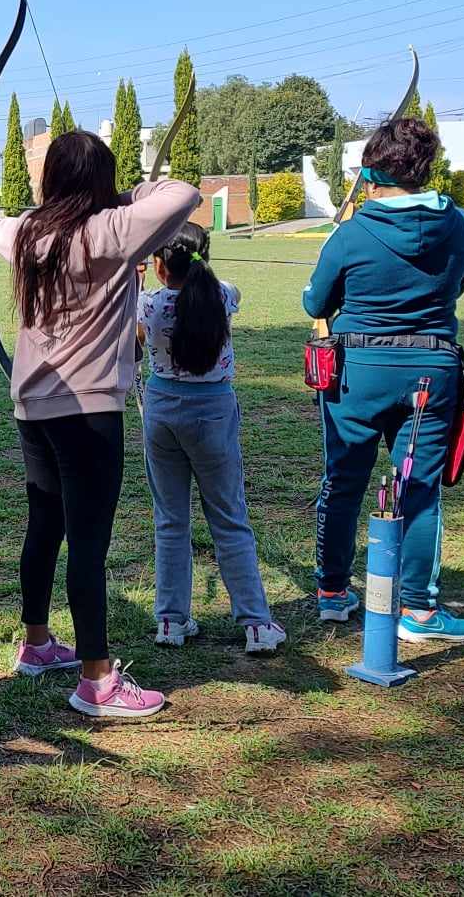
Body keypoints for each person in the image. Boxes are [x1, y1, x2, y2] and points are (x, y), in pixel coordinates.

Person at [0, 129, 200, 719]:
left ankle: (37, 643)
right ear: (100, 182)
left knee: (45, 525)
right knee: (88, 542)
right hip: (88, 408)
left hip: (33, 405)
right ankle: (97, 681)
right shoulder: (109, 230)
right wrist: (126, 194)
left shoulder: (29, 232)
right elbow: (185, 193)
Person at [303, 117, 464, 643]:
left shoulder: (353, 232)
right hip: (431, 369)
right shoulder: (459, 224)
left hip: (358, 374)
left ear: (373, 174)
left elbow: (316, 303)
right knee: (419, 489)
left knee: (343, 482)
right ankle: (420, 612)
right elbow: (461, 280)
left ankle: (333, 592)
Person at [135, 223, 284, 654]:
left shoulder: (149, 304)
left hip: (163, 412)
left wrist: (139, 273)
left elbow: (138, 330)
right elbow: (225, 288)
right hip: (212, 411)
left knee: (170, 519)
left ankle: (170, 620)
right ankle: (256, 624)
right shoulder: (221, 296)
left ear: (161, 267)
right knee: (229, 518)